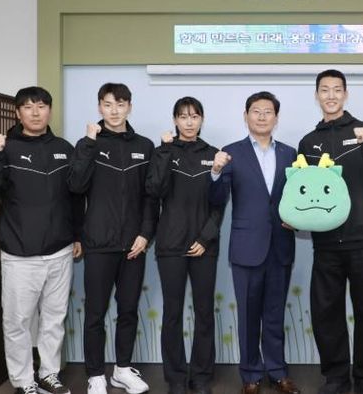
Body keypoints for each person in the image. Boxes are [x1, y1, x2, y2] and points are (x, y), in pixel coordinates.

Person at [0, 86, 82, 394]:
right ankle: (23, 381)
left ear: (50, 110)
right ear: (17, 113)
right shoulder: (5, 148)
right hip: (20, 254)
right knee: (18, 322)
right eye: (28, 107)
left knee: (54, 319)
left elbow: (75, 197)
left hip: (60, 250)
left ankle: (49, 373)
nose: (36, 112)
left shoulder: (64, 148)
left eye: (42, 106)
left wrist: (77, 235)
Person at [298, 69, 363, 394]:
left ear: (346, 94)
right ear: (317, 96)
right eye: (325, 90)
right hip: (325, 242)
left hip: (362, 238)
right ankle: (336, 376)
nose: (331, 95)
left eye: (337, 89)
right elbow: (303, 191)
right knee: (327, 313)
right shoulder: (308, 142)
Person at [68, 83, 157, 394]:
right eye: (108, 104)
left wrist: (145, 234)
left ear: (129, 107)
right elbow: (76, 186)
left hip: (133, 245)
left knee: (128, 310)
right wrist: (89, 143)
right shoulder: (87, 144)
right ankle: (95, 375)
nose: (114, 110)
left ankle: (122, 369)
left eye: (120, 104)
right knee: (95, 313)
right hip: (98, 243)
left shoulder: (145, 146)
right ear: (99, 107)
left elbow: (151, 196)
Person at [209, 91, 300, 394]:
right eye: (256, 111)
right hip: (246, 247)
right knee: (248, 317)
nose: (262, 116)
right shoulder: (230, 153)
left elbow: (298, 197)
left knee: (275, 314)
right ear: (245, 115)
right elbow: (217, 199)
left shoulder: (290, 154)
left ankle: (277, 371)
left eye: (268, 111)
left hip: (281, 245)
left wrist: (298, 219)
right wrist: (215, 171)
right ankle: (250, 374)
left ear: (276, 117)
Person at [145, 97, 223, 394]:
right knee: (173, 313)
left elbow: (219, 203)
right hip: (170, 245)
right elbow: (155, 189)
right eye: (183, 116)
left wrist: (205, 238)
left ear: (202, 119)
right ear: (175, 120)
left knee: (204, 312)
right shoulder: (163, 151)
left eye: (194, 116)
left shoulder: (214, 154)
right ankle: (176, 377)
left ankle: (201, 376)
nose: (189, 122)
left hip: (205, 246)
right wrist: (165, 151)